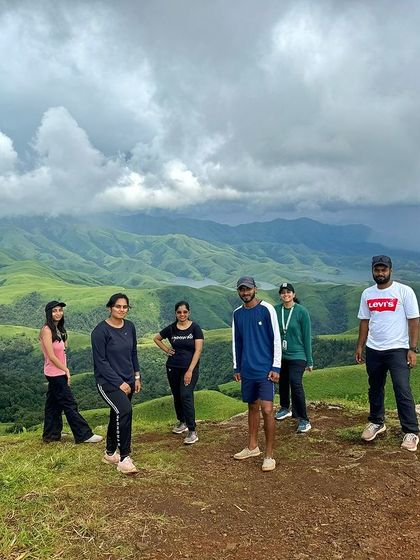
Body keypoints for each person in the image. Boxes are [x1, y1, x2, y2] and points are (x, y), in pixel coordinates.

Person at [355, 255, 419, 452]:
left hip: (397, 349)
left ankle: (411, 431)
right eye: (377, 270)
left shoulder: (403, 291)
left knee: (402, 389)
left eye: (383, 270)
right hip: (374, 349)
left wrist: (412, 348)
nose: (380, 273)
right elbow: (364, 322)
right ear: (373, 271)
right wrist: (360, 346)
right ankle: (376, 422)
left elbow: (414, 320)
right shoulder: (367, 294)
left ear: (390, 270)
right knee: (375, 387)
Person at [232, 276, 282, 471]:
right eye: (242, 290)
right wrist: (237, 367)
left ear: (255, 289)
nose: (245, 293)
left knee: (267, 409)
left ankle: (269, 455)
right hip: (247, 369)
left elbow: (276, 338)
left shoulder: (266, 309)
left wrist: (276, 367)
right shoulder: (237, 314)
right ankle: (252, 446)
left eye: (248, 289)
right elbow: (237, 341)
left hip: (264, 369)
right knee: (252, 407)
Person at [91, 293, 141, 474]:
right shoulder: (100, 332)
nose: (122, 310)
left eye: (125, 307)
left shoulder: (130, 327)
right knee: (125, 411)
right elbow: (101, 362)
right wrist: (119, 383)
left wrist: (136, 377)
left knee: (117, 413)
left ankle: (110, 453)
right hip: (108, 383)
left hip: (128, 380)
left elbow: (133, 353)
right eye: (118, 306)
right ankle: (124, 457)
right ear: (109, 308)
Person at [40, 301, 102, 445]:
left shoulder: (57, 329)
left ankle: (50, 435)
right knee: (69, 403)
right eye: (54, 311)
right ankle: (84, 435)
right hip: (55, 373)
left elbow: (62, 350)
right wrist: (66, 370)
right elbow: (51, 355)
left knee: (53, 405)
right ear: (49, 313)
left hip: (55, 371)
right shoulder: (46, 330)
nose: (58, 313)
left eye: (60, 310)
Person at [153, 301, 204, 445]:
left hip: (190, 368)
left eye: (185, 312)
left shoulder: (195, 328)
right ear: (176, 313)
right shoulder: (171, 329)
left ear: (189, 313)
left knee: (186, 395)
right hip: (173, 366)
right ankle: (182, 422)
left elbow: (198, 350)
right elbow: (156, 338)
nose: (182, 315)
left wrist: (190, 370)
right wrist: (167, 350)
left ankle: (192, 431)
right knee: (177, 396)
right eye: (179, 312)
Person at [274, 283, 313, 433]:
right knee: (282, 381)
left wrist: (309, 360)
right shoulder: (276, 310)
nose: (286, 294)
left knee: (295, 383)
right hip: (281, 354)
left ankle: (304, 419)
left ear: (294, 294)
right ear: (280, 295)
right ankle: (285, 407)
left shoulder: (302, 312)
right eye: (283, 292)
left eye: (288, 292)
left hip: (298, 355)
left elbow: (307, 336)